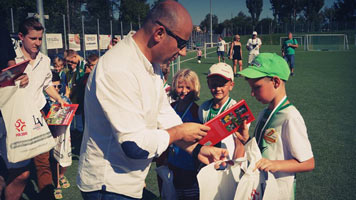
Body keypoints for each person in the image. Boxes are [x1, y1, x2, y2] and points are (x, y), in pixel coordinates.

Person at [77, 1, 229, 199]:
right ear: (159, 33)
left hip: (127, 182)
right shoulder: (118, 67)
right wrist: (179, 132)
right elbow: (134, 145)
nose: (183, 52)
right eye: (182, 44)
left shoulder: (151, 64)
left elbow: (163, 113)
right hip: (108, 186)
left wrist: (197, 149)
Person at [0, 17, 65, 200]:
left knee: (43, 161)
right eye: (33, 38)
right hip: (16, 119)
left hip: (39, 117)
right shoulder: (10, 60)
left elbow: (46, 85)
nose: (37, 43)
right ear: (21, 37)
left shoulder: (44, 60)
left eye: (40, 38)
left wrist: (59, 97)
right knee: (17, 167)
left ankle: (47, 196)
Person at [237, 53, 315, 199]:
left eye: (256, 87)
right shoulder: (264, 113)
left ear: (276, 82)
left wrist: (275, 164)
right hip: (260, 188)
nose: (252, 93)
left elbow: (308, 163)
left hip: (278, 192)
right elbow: (262, 152)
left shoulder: (290, 117)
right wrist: (246, 139)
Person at [167, 69, 201, 200]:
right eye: (180, 87)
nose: (183, 91)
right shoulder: (171, 107)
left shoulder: (196, 110)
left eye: (188, 87)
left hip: (189, 168)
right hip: (171, 165)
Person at [198, 63, 245, 159]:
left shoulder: (236, 109)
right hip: (209, 162)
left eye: (222, 84)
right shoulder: (203, 108)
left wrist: (235, 166)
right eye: (213, 84)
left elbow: (239, 144)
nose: (218, 88)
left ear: (231, 85)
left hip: (228, 162)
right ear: (208, 84)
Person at [42, 72, 72, 200]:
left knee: (65, 159)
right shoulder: (43, 100)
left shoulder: (64, 99)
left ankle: (60, 176)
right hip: (50, 133)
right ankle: (57, 184)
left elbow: (70, 110)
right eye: (54, 87)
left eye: (59, 87)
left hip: (64, 133)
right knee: (53, 159)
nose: (56, 89)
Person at [64, 49, 85, 133]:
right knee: (72, 118)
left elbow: (82, 63)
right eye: (68, 62)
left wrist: (77, 58)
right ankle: (73, 131)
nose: (70, 64)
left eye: (72, 62)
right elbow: (67, 86)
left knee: (79, 118)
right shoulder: (68, 73)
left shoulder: (81, 68)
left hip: (79, 98)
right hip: (71, 99)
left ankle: (80, 132)